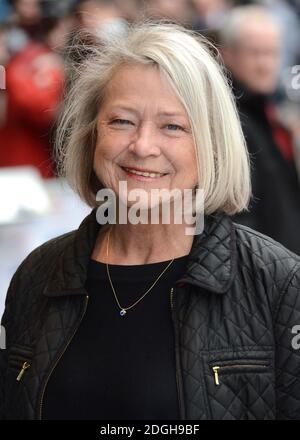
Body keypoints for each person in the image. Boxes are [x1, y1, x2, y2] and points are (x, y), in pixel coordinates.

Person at [0, 19, 300, 420]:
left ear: (211, 145)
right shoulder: (37, 276)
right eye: (121, 120)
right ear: (92, 135)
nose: (142, 145)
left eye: (172, 126)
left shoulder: (278, 282)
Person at [220, 5, 300, 255]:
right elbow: (236, 213)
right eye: (255, 53)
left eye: (272, 54)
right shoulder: (227, 119)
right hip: (263, 269)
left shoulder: (266, 113)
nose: (265, 64)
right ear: (228, 54)